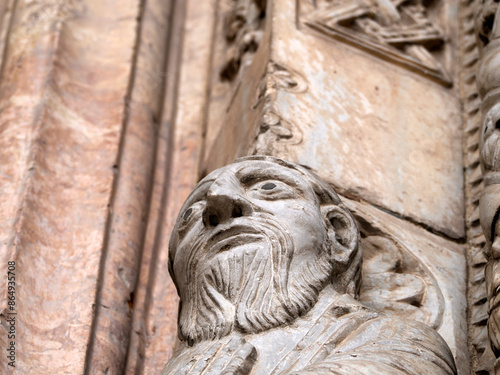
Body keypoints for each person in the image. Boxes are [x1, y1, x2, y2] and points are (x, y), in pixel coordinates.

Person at [163, 155, 456, 374]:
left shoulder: (396, 342)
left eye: (268, 187)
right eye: (191, 213)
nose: (219, 202)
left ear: (338, 235)